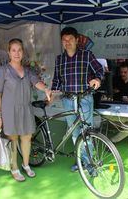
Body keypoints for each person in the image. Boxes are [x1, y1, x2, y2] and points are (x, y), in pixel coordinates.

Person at [0, 38, 51, 182]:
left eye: (19, 50)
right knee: (13, 139)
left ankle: (26, 165)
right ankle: (14, 168)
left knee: (26, 138)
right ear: (9, 52)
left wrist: (45, 89)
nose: (16, 53)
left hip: (26, 108)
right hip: (9, 110)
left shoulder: (28, 70)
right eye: (13, 50)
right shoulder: (2, 70)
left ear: (23, 52)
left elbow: (36, 82)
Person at [51, 27, 104, 172]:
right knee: (74, 132)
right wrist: (51, 93)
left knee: (87, 131)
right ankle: (81, 161)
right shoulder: (59, 59)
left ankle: (90, 163)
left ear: (76, 40)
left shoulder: (87, 55)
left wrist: (97, 80)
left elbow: (99, 70)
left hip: (85, 98)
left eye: (70, 39)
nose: (67, 42)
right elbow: (57, 80)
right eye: (64, 40)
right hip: (68, 100)